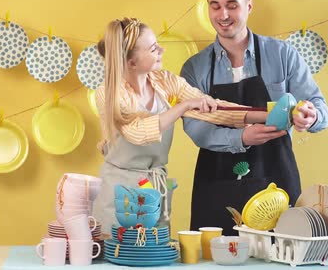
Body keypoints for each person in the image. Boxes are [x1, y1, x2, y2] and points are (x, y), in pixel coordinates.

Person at [181, 0, 328, 235]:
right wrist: (242, 138)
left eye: (232, 5)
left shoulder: (283, 54)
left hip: (276, 183)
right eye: (215, 6)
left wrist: (311, 115)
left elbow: (318, 105)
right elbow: (195, 129)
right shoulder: (195, 68)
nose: (223, 15)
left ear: (249, 6)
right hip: (216, 187)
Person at [92, 17, 267, 234]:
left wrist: (265, 115)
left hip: (154, 187)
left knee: (155, 254)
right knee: (118, 255)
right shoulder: (109, 94)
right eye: (154, 48)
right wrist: (182, 107)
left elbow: (213, 109)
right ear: (131, 62)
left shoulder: (164, 81)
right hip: (120, 194)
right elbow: (137, 132)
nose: (162, 50)